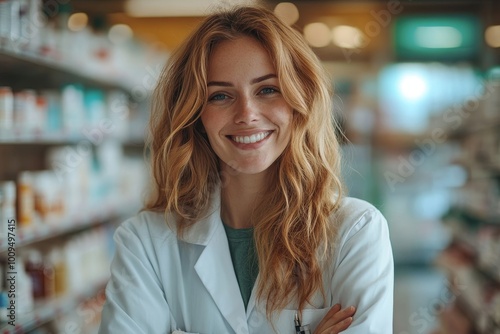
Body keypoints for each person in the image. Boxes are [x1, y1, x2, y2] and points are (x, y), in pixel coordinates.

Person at [98, 5, 393, 334]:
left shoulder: (355, 233)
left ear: (301, 102)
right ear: (195, 115)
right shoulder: (146, 243)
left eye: (267, 89)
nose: (247, 114)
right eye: (220, 95)